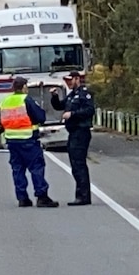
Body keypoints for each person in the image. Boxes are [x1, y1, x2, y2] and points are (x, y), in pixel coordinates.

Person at [0, 77, 59, 208]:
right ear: (24, 87)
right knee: (36, 167)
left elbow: (0, 122)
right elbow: (40, 117)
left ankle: (22, 198)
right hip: (28, 139)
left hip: (12, 141)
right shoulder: (26, 100)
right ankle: (42, 196)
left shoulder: (5, 102)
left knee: (18, 169)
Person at [50, 71, 95, 206]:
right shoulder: (72, 95)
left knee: (79, 164)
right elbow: (59, 106)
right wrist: (54, 96)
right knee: (75, 164)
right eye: (67, 80)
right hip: (73, 132)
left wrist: (73, 114)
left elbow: (89, 110)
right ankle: (80, 195)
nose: (68, 83)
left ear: (77, 79)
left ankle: (84, 196)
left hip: (81, 131)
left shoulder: (84, 94)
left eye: (70, 80)